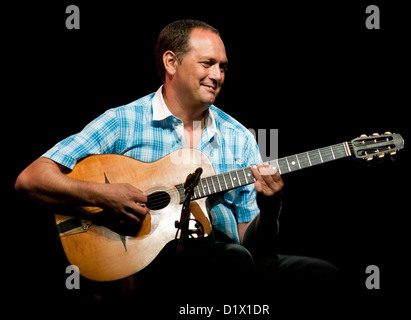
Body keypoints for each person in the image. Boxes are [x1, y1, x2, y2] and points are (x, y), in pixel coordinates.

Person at [15, 20, 339, 308]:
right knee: (231, 262)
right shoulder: (123, 122)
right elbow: (31, 179)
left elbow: (252, 243)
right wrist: (102, 196)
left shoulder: (239, 138)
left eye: (223, 67)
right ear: (171, 62)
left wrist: (271, 207)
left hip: (227, 264)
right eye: (208, 63)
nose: (217, 75)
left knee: (322, 276)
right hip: (149, 265)